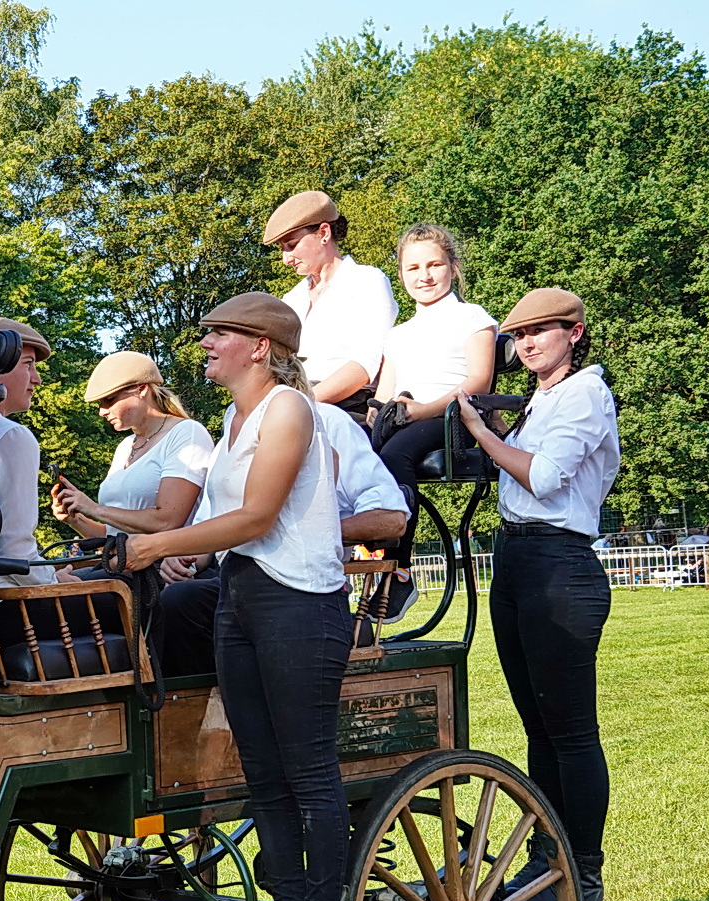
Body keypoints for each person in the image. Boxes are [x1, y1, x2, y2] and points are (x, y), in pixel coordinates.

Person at [118, 292, 349, 901]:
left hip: (299, 603)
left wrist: (162, 541)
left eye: (219, 333)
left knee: (308, 768)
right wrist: (188, 554)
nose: (206, 342)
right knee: (264, 771)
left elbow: (256, 514)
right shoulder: (234, 416)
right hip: (244, 598)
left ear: (259, 346)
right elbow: (227, 520)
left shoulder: (288, 408)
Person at [454, 287, 618, 901]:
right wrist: (493, 431)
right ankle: (547, 860)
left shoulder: (585, 392)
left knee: (572, 730)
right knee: (538, 727)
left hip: (560, 564)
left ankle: (584, 871)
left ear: (574, 333)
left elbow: (545, 478)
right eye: (518, 336)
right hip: (519, 560)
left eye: (541, 332)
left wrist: (480, 433)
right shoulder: (537, 402)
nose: (526, 345)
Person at [153, 400, 410, 677]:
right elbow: (212, 525)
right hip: (232, 577)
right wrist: (184, 557)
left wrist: (308, 528)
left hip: (297, 583)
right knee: (142, 595)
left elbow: (391, 519)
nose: (208, 354)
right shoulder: (233, 426)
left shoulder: (327, 421)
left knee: (182, 602)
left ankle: (200, 707)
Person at [368, 223, 498, 623]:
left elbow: (478, 381)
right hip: (405, 415)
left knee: (392, 456)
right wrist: (373, 418)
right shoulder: (398, 334)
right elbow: (384, 392)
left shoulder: (471, 317)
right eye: (413, 268)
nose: (424, 276)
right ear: (401, 274)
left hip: (452, 416)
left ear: (453, 267)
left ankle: (400, 570)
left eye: (434, 265)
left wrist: (422, 409)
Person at [49, 351, 213, 543]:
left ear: (141, 390)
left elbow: (168, 522)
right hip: (123, 566)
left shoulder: (187, 433)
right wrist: (75, 519)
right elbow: (112, 538)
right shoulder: (125, 446)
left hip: (164, 568)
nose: (101, 411)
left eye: (109, 400)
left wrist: (94, 508)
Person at [262, 190, 397, 420]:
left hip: (348, 409)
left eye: (291, 245)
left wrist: (304, 402)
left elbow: (364, 366)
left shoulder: (368, 281)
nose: (285, 259)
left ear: (323, 233)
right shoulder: (291, 299)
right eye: (282, 249)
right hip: (293, 404)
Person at [0, 317, 55, 589]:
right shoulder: (9, 435)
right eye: (28, 364)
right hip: (0, 603)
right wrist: (55, 577)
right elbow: (16, 553)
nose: (36, 379)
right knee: (136, 587)